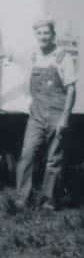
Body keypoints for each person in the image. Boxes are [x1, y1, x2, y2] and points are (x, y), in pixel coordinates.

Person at [16, 19, 77, 210]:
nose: (43, 36)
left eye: (46, 33)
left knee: (53, 159)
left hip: (57, 115)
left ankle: (48, 202)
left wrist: (65, 117)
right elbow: (5, 52)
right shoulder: (34, 56)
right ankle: (21, 200)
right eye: (39, 33)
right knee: (27, 155)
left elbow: (71, 89)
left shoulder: (62, 58)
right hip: (36, 116)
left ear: (53, 35)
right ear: (36, 35)